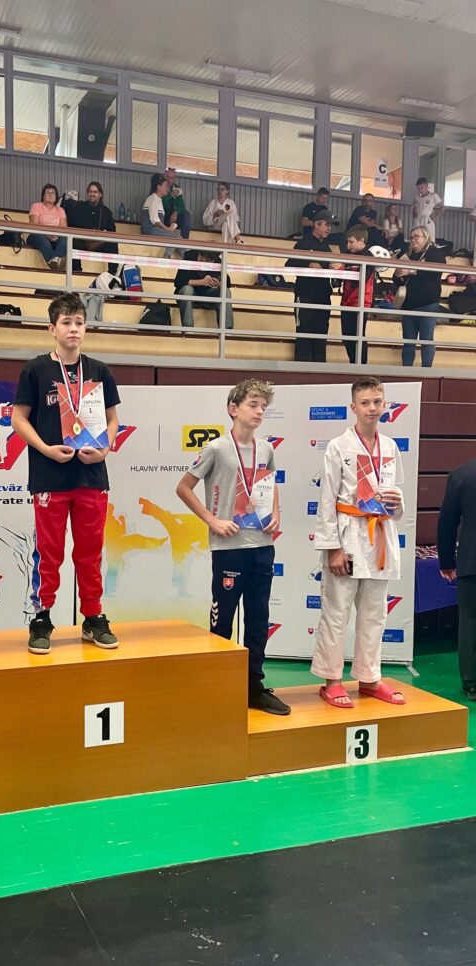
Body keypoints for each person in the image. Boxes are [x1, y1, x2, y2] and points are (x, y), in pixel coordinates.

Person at [11, 292, 120, 654]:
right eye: (66, 323)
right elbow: (18, 419)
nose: (74, 329)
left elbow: (112, 419)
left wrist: (104, 450)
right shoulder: (35, 370)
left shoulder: (100, 370)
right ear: (52, 329)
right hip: (49, 476)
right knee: (49, 552)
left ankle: (93, 616)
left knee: (90, 552)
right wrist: (45, 449)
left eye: (79, 323)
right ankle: (41, 617)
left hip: (91, 476)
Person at [175, 378, 289, 716]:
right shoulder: (217, 448)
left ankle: (253, 686)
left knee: (258, 619)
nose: (259, 411)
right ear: (233, 409)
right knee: (222, 619)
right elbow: (183, 488)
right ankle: (219, 685)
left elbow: (271, 484)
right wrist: (212, 520)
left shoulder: (266, 449)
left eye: (263, 407)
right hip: (230, 548)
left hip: (262, 545)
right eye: (253, 405)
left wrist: (276, 513)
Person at [310, 376, 405, 709]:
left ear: (385, 404)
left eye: (377, 401)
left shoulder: (390, 447)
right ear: (353, 407)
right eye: (365, 403)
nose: (372, 408)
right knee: (336, 612)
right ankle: (332, 680)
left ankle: (369, 678)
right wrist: (333, 548)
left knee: (374, 614)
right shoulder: (339, 446)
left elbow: (395, 499)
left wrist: (397, 503)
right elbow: (327, 499)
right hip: (348, 535)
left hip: (379, 538)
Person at [438, 457, 476, 699]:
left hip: (471, 561)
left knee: (470, 619)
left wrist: (446, 561)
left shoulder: (462, 474)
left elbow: (447, 522)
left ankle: (471, 682)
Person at [286, 210, 334, 361]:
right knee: (304, 332)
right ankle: (302, 367)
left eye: (330, 225)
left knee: (321, 334)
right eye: (326, 224)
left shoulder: (327, 247)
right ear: (316, 224)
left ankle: (320, 368)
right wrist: (308, 264)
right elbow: (289, 264)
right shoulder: (303, 243)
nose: (329, 228)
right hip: (306, 295)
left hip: (323, 296)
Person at [393, 226, 443, 368]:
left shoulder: (434, 253)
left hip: (428, 303)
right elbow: (396, 279)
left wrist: (411, 271)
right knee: (408, 341)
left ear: (426, 237)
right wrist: (398, 274)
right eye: (412, 237)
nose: (413, 239)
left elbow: (435, 273)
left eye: (417, 236)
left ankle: (426, 371)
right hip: (409, 303)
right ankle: (407, 370)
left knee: (426, 340)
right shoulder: (407, 254)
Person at [336, 226, 375, 364]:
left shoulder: (368, 257)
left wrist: (341, 268)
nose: (348, 245)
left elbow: (361, 278)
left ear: (361, 241)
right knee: (347, 335)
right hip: (347, 300)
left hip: (360, 301)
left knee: (357, 335)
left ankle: (360, 364)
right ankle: (354, 362)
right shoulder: (348, 255)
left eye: (351, 242)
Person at [65, 180, 118, 275]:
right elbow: (71, 225)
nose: (92, 194)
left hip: (98, 242)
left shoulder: (106, 212)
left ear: (100, 194)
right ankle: (77, 271)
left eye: (95, 192)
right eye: (90, 191)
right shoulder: (79, 208)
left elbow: (112, 231)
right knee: (72, 242)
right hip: (82, 241)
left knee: (113, 244)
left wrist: (101, 237)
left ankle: (112, 273)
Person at [174, 249, 233, 330]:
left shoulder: (217, 261)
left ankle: (227, 330)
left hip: (208, 295)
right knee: (187, 289)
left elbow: (227, 282)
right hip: (190, 296)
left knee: (225, 291)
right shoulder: (188, 259)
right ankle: (188, 329)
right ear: (200, 255)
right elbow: (178, 281)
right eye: (206, 260)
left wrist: (219, 284)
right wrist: (202, 282)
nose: (208, 263)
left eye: (210, 261)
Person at [27, 183, 67, 269]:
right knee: (44, 241)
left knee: (65, 240)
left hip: (56, 237)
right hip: (38, 236)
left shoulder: (60, 210)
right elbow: (34, 226)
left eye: (53, 193)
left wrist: (56, 235)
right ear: (43, 196)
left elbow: (63, 228)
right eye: (48, 192)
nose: (51, 194)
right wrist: (47, 235)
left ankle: (55, 261)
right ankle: (54, 262)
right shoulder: (36, 206)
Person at [141, 172, 180, 254]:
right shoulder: (154, 198)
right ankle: (167, 256)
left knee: (179, 236)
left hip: (155, 230)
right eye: (165, 186)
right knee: (175, 236)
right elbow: (155, 221)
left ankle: (188, 255)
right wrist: (168, 229)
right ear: (158, 187)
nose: (167, 188)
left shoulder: (158, 200)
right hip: (150, 231)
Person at [162, 167, 192, 242]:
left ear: (174, 178)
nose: (169, 180)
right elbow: (160, 203)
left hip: (173, 216)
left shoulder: (177, 188)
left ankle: (184, 241)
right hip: (163, 215)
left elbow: (181, 205)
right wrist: (170, 195)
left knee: (186, 215)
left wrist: (176, 212)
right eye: (167, 177)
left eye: (171, 178)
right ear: (164, 176)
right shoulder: (160, 186)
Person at [412, 177, 444, 241]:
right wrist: (414, 206)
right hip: (418, 221)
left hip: (427, 221)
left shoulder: (433, 195)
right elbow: (414, 215)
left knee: (428, 240)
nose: (420, 190)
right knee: (417, 240)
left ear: (426, 186)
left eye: (422, 188)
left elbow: (442, 207)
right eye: (418, 188)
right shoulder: (417, 198)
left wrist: (436, 217)